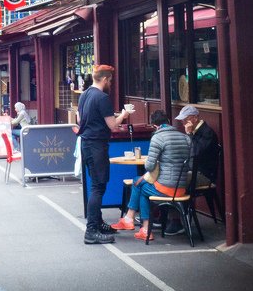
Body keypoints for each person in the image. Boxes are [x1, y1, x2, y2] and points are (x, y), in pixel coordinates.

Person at [111, 109, 192, 240]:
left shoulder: (158, 137)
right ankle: (139, 226)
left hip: (166, 189)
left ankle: (133, 221)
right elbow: (190, 165)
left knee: (138, 184)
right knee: (141, 185)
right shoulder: (186, 138)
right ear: (169, 122)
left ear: (155, 126)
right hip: (182, 189)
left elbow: (149, 166)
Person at [77, 64, 134, 244]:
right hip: (97, 144)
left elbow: (81, 119)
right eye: (110, 80)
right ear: (104, 79)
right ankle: (91, 230)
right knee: (98, 186)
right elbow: (112, 126)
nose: (111, 83)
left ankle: (98, 223)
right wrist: (124, 115)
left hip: (86, 143)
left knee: (96, 184)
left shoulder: (84, 95)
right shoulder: (102, 98)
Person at [176, 105, 218, 186]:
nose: (183, 123)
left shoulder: (207, 132)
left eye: (186, 119)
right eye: (182, 120)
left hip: (203, 174)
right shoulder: (194, 131)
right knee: (168, 177)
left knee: (174, 181)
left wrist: (189, 134)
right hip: (191, 170)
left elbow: (195, 152)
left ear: (195, 118)